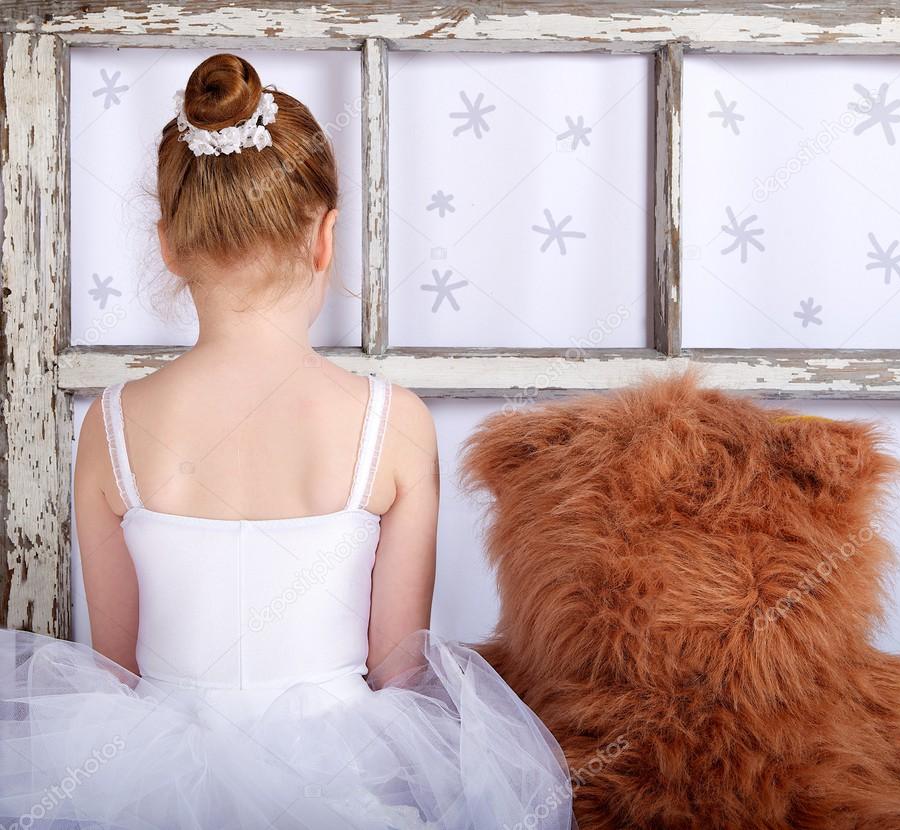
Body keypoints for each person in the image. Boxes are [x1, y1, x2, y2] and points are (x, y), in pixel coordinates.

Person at [0, 53, 573, 830]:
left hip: (149, 780)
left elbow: (117, 669)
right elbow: (399, 669)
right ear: (325, 236)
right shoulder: (391, 421)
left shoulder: (110, 424)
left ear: (168, 243)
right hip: (347, 778)